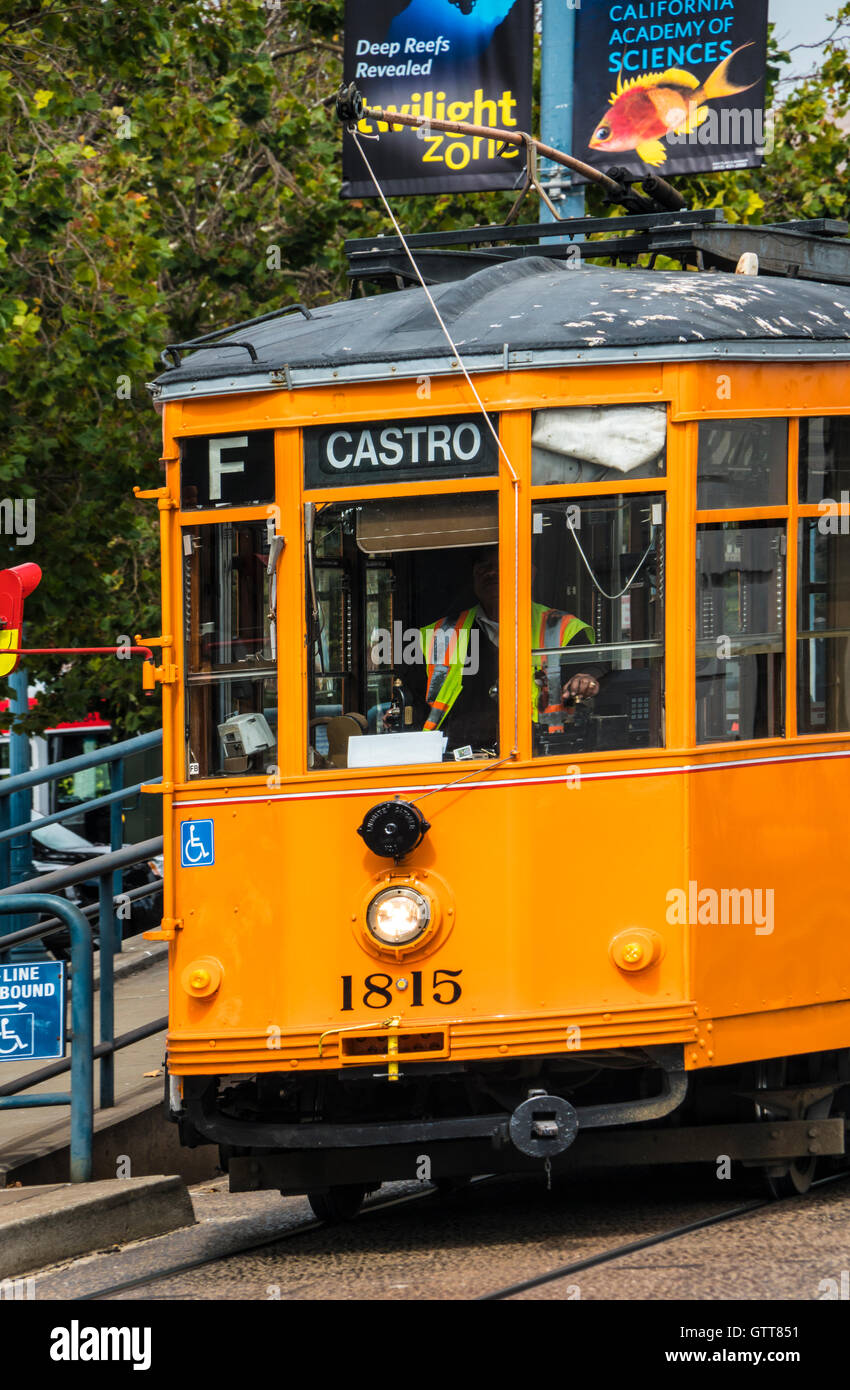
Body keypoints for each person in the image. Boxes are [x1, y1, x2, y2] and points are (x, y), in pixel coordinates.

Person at [419, 548, 605, 752]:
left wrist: (586, 679)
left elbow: (590, 669)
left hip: (540, 755)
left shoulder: (561, 627)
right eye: (484, 567)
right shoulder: (440, 633)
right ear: (474, 576)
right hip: (458, 761)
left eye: (501, 566)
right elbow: (415, 700)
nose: (492, 573)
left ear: (529, 574)